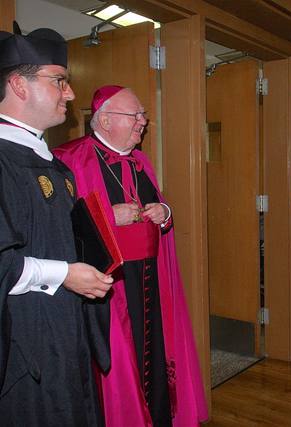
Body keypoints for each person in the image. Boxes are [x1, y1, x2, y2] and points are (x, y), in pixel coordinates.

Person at [53, 86, 208, 427]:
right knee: (120, 358)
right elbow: (61, 227)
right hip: (108, 285)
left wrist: (164, 212)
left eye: (143, 116)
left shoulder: (141, 160)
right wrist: (110, 216)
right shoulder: (69, 157)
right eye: (135, 115)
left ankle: (157, 416)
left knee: (153, 350)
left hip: (151, 276)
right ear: (105, 120)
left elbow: (159, 208)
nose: (143, 123)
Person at [0, 22, 114, 426]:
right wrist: (64, 274)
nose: (70, 93)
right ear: (19, 85)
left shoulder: (54, 166)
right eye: (59, 81)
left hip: (66, 335)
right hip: (24, 347)